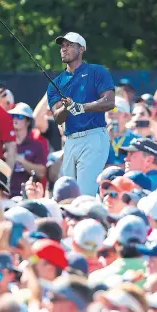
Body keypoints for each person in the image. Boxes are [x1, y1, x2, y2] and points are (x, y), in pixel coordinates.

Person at [47, 32, 115, 196]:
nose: (64, 48)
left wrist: (81, 107)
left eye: (69, 45)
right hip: (70, 142)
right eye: (62, 46)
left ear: (82, 48)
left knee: (84, 193)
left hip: (94, 136)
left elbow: (109, 102)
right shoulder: (56, 83)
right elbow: (57, 117)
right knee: (69, 195)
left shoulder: (97, 71)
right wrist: (66, 107)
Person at [7, 103, 48, 197]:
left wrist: (20, 160)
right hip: (8, 196)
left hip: (30, 197)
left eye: (20, 116)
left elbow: (41, 172)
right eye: (13, 116)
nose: (15, 119)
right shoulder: (5, 145)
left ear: (28, 121)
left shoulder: (37, 145)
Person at [106, 96, 140, 166]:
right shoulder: (98, 139)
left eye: (114, 109)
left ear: (126, 116)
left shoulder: (136, 139)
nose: (110, 111)